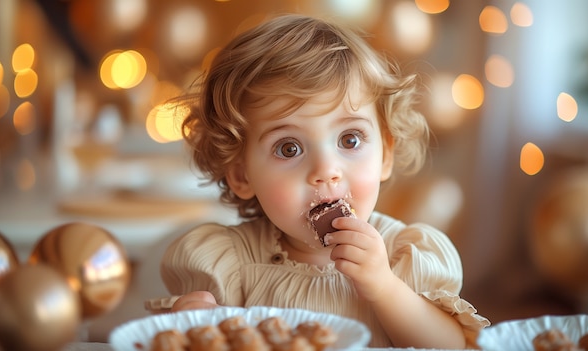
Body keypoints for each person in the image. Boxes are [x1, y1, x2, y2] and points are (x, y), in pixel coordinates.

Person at [153, 13, 490, 348]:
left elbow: (451, 346)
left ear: (385, 154)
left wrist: (384, 286)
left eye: (350, 140)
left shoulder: (403, 256)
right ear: (242, 174)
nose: (326, 170)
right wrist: (196, 320)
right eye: (289, 148)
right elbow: (200, 336)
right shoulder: (231, 262)